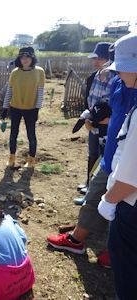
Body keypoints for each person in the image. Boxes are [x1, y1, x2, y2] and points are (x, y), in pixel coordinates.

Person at [47, 54, 137, 269]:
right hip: (112, 154)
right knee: (96, 196)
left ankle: (111, 251)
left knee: (121, 206)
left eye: (121, 68)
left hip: (127, 161)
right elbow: (111, 108)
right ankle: (80, 240)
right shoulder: (119, 82)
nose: (117, 72)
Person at [96, 33, 137, 300]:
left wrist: (109, 201)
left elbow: (131, 177)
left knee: (128, 278)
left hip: (130, 206)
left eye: (121, 67)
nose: (118, 73)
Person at [75, 42, 116, 202]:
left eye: (100, 58)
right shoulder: (93, 77)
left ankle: (96, 194)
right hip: (93, 122)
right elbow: (89, 100)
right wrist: (87, 118)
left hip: (107, 124)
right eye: (96, 58)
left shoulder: (116, 78)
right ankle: (89, 184)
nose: (96, 61)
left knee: (104, 158)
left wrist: (108, 120)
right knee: (92, 154)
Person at [2, 46, 45, 168]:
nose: (25, 60)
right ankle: (12, 157)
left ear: (32, 58)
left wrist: (37, 108)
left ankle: (31, 159)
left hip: (31, 109)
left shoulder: (39, 72)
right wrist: (5, 108)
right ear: (19, 59)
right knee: (13, 134)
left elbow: (40, 91)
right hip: (15, 107)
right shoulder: (15, 73)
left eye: (27, 57)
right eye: (22, 57)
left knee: (31, 134)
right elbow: (10, 91)